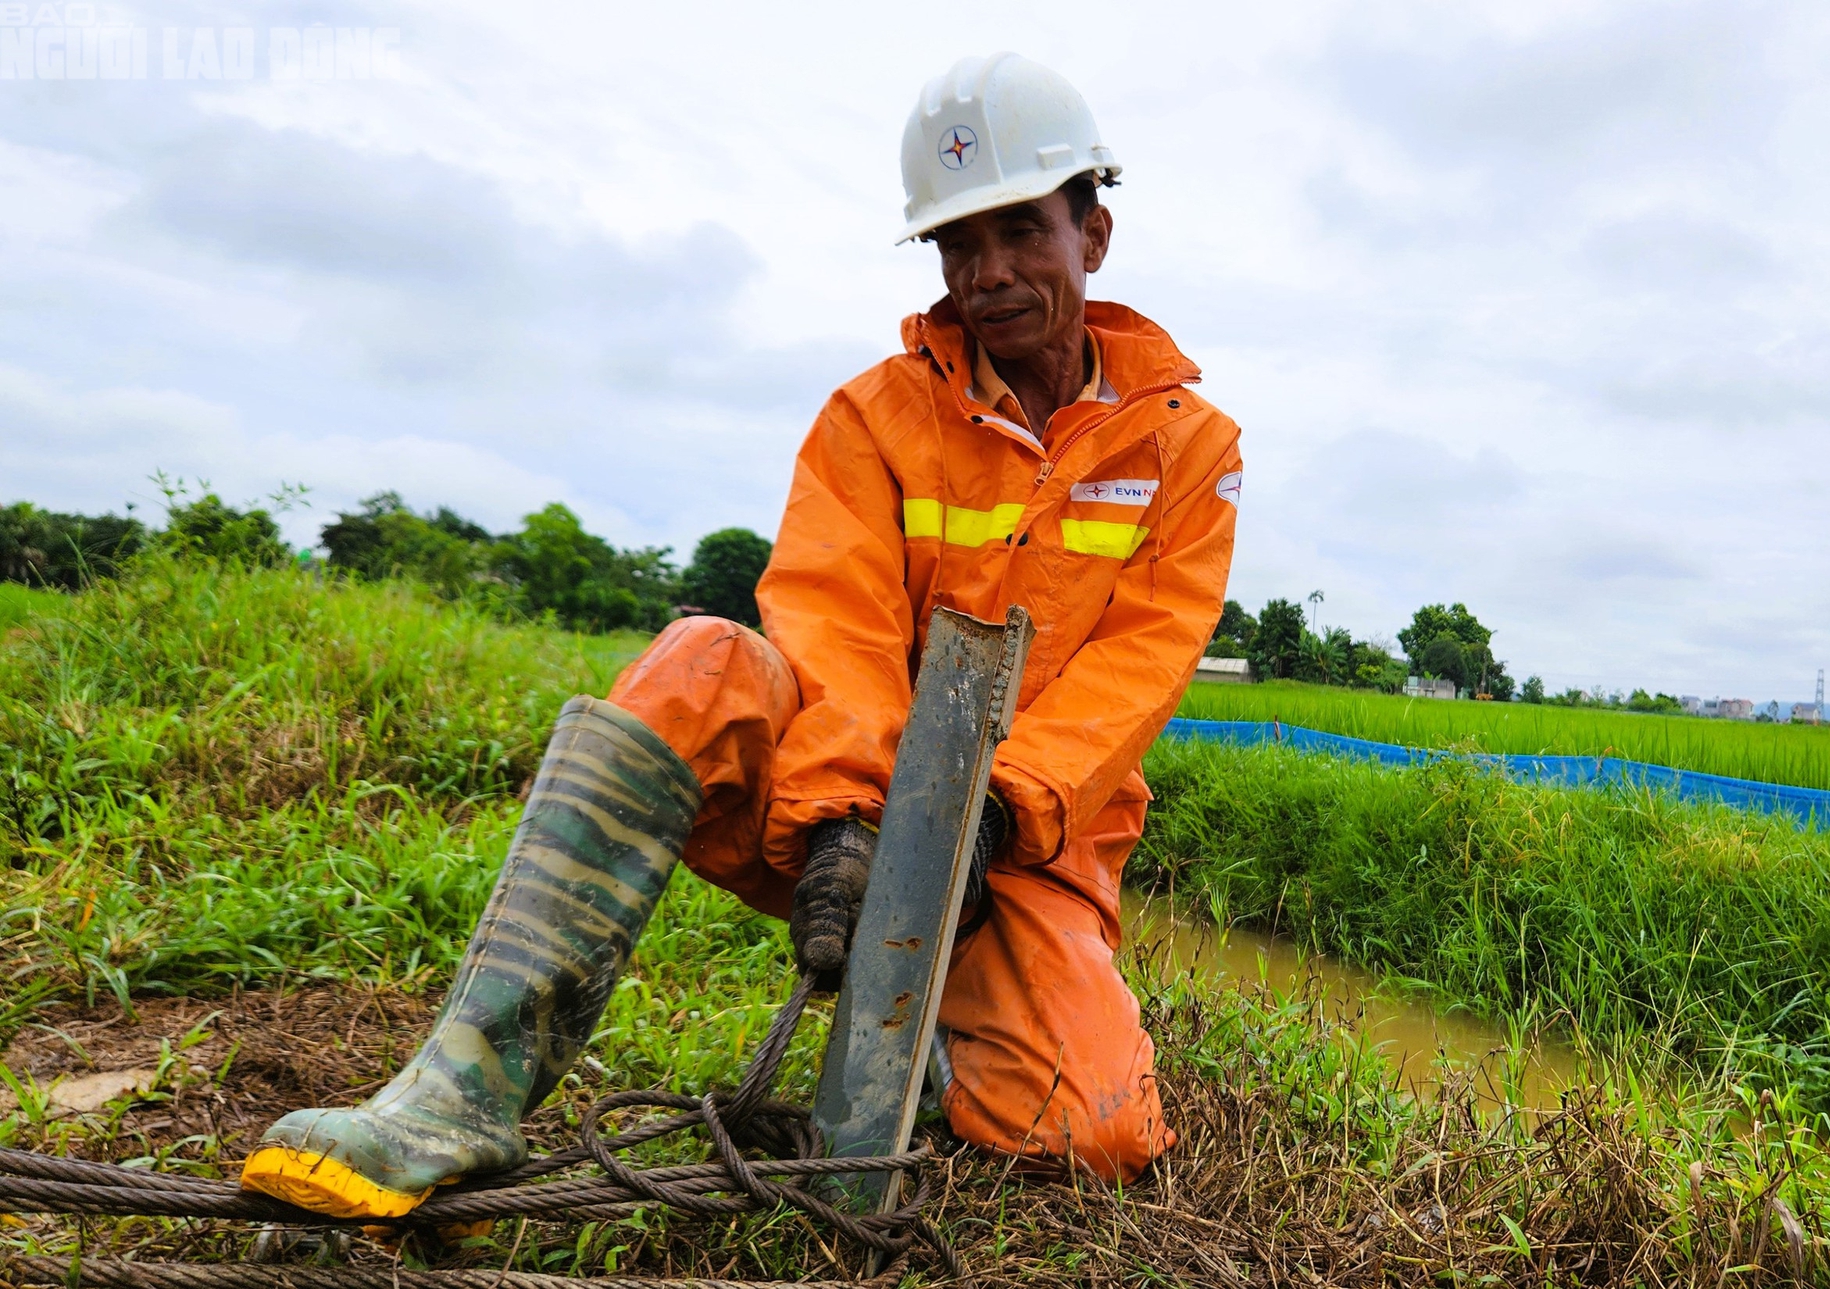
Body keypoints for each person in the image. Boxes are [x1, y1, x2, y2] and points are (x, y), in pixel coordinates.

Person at [240, 51, 1243, 1220]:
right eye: (956, 243)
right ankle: (457, 1092)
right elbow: (835, 626)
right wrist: (852, 819)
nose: (988, 272)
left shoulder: (1186, 447)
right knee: (704, 659)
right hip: (842, 819)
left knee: (1090, 1130)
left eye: (1021, 229)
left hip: (1025, 845)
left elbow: (1136, 672)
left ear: (1094, 234)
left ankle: (941, 1036)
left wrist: (986, 820)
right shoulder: (870, 417)